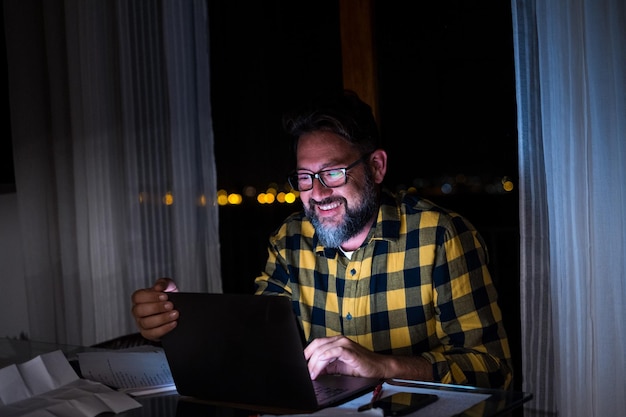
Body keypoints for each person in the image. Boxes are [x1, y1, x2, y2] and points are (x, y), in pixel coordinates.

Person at [131, 90, 513, 390]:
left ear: (376, 167)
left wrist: (384, 366)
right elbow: (256, 347)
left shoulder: (440, 236)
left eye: (333, 173)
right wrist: (175, 322)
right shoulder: (289, 240)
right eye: (304, 177)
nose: (317, 192)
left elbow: (493, 369)